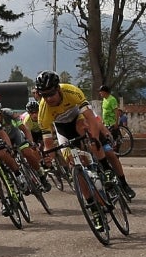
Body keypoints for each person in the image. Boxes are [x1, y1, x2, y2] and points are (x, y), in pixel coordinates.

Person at [35, 71, 134, 199]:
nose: (48, 99)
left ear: (58, 88)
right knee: (74, 165)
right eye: (44, 95)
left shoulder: (71, 91)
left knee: (107, 151)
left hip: (79, 118)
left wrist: (95, 138)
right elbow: (48, 145)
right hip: (63, 129)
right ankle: (92, 205)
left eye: (51, 94)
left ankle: (121, 182)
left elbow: (91, 117)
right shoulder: (43, 113)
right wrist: (49, 158)